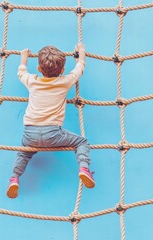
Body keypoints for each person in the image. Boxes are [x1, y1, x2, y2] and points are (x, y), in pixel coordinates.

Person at [7, 44, 95, 198]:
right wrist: (81, 53)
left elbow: (21, 73)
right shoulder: (64, 82)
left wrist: (24, 57)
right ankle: (83, 168)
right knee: (81, 142)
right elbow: (79, 70)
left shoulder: (33, 81)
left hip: (30, 133)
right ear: (62, 71)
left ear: (39, 69)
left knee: (24, 154)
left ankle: (14, 178)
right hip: (53, 134)